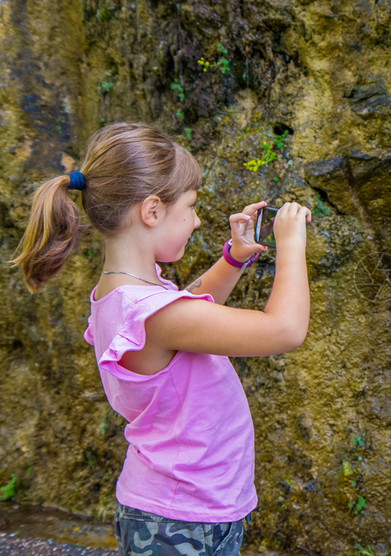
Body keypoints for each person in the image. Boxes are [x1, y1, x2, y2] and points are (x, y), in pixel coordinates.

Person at [11, 122, 311, 555]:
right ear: (151, 211)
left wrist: (233, 258)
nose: (197, 219)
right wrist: (292, 243)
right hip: (180, 519)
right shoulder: (152, 314)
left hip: (179, 510)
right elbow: (285, 330)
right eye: (189, 207)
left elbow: (188, 310)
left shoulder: (124, 295)